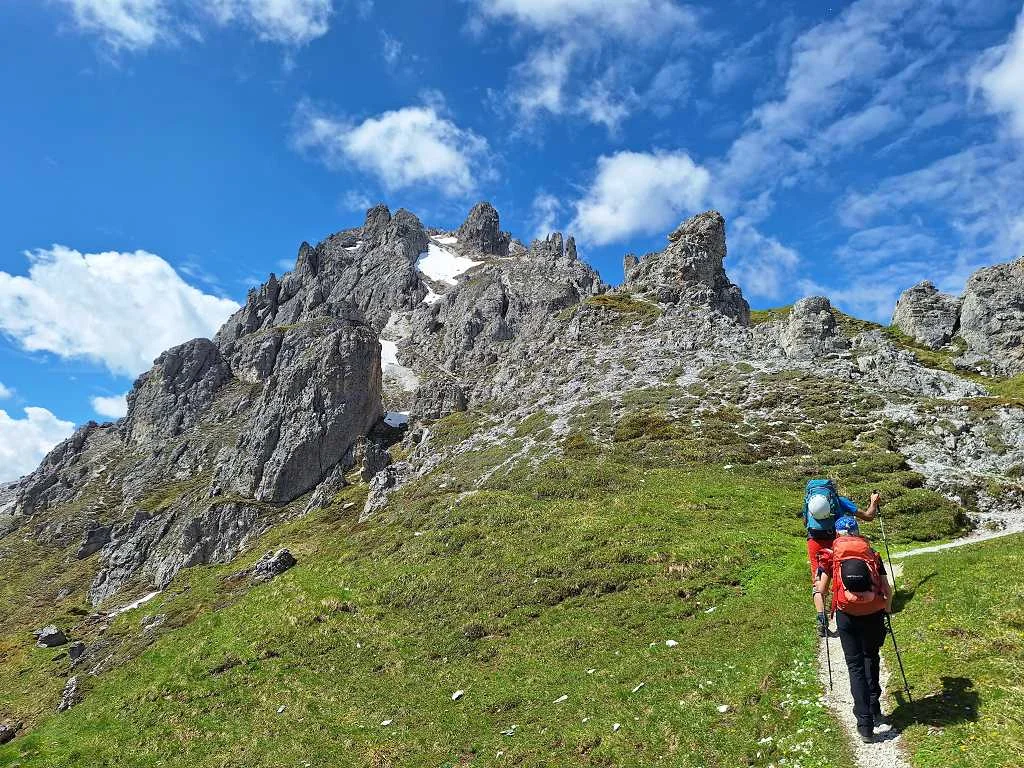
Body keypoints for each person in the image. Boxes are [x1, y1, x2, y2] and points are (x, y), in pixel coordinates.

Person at [815, 516, 892, 743]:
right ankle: (875, 705)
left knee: (855, 665)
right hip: (873, 613)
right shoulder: (872, 554)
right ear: (857, 532)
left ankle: (865, 723)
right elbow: (887, 588)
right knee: (871, 656)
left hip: (847, 615)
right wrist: (885, 610)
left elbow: (822, 590)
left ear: (837, 535)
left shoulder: (831, 556)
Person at [801, 479, 879, 635]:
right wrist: (874, 502)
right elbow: (868, 516)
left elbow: (805, 522)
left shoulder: (808, 502)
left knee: (819, 578)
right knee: (843, 572)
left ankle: (821, 620)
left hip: (814, 541)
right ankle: (852, 609)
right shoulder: (839, 501)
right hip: (837, 541)